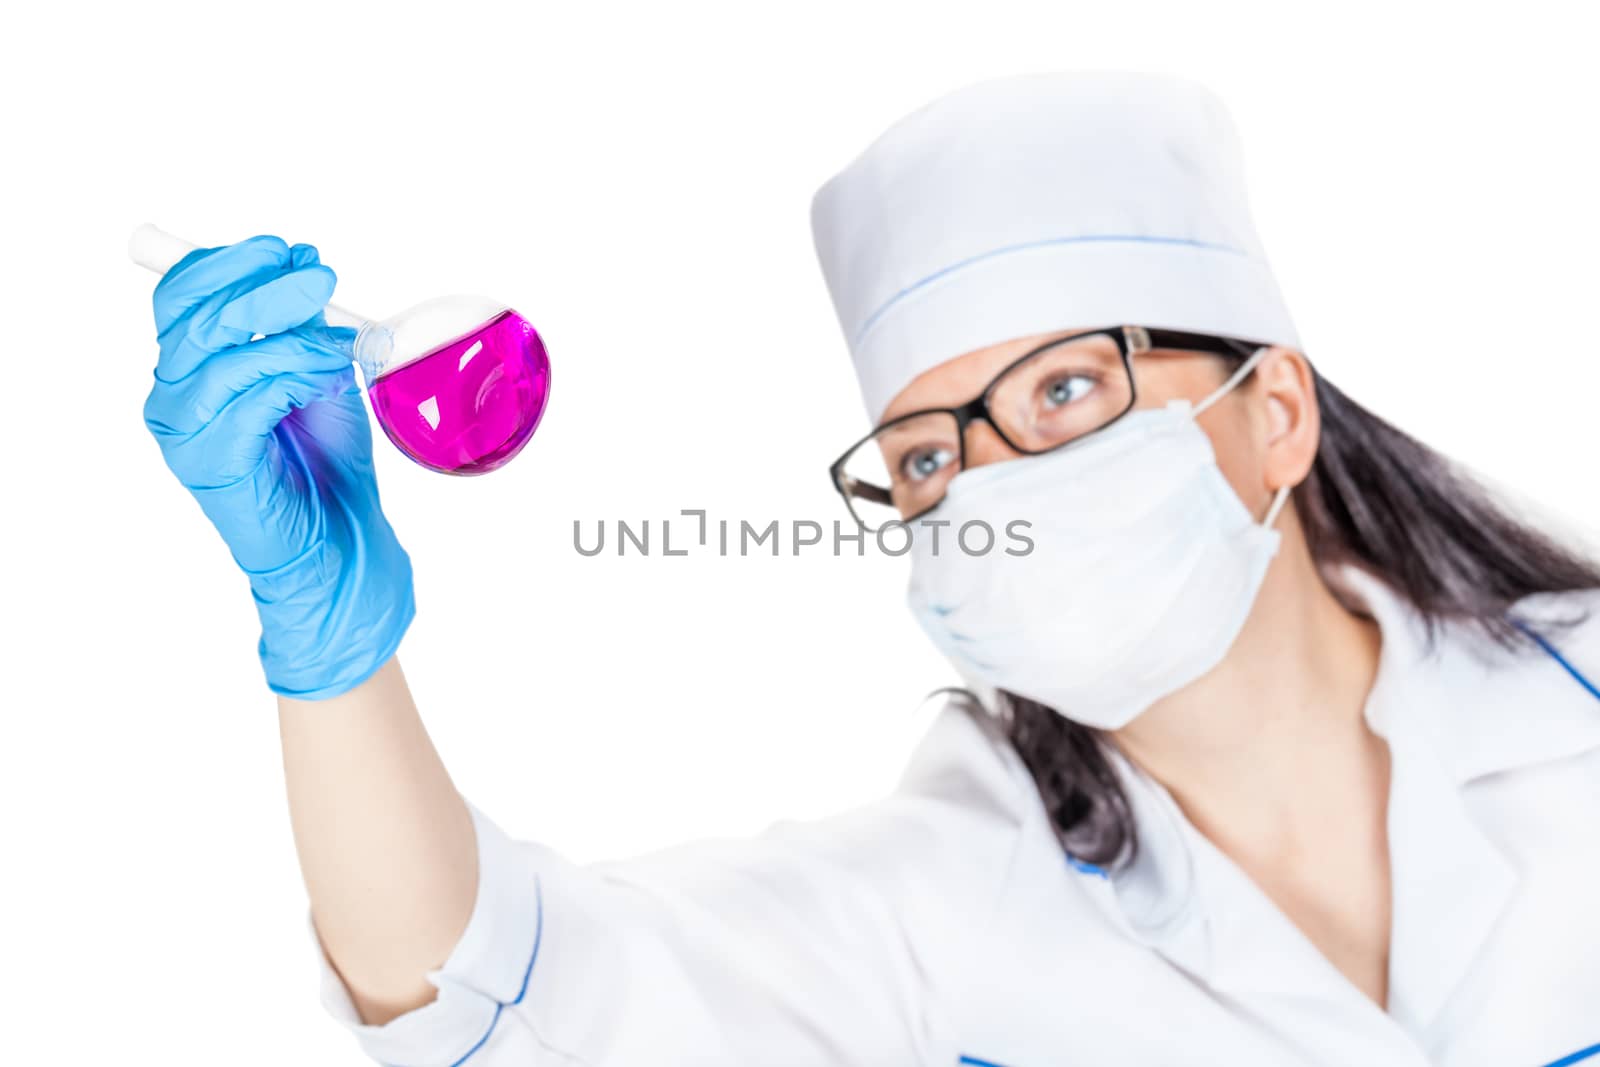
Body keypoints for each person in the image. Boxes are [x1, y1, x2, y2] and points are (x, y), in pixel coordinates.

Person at [138, 71, 1600, 1067]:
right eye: (924, 456)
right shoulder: (943, 899)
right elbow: (491, 995)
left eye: (1064, 395)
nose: (993, 488)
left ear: (1273, 414)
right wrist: (330, 650)